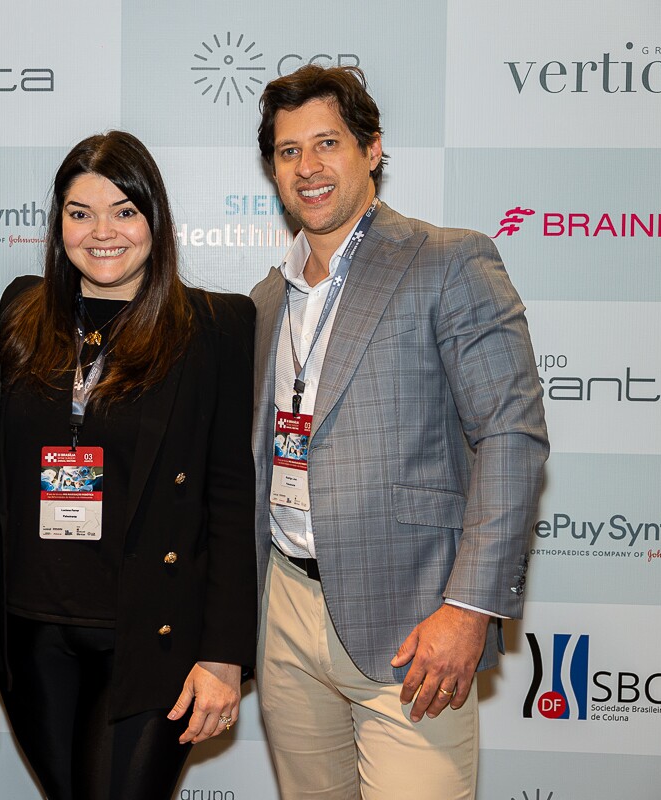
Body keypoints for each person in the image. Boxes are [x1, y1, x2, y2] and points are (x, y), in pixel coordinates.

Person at [250, 65, 548, 799]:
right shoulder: (264, 299)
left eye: (328, 143)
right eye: (289, 152)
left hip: (412, 621)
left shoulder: (447, 260)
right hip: (285, 611)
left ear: (372, 148)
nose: (309, 168)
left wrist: (469, 608)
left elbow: (511, 435)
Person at [0, 130, 257, 800]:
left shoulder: (215, 328)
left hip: (152, 635)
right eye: (80, 213)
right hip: (33, 633)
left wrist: (225, 654)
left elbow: (228, 496)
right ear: (58, 226)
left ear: (155, 220)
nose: (101, 232)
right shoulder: (20, 314)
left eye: (124, 211)